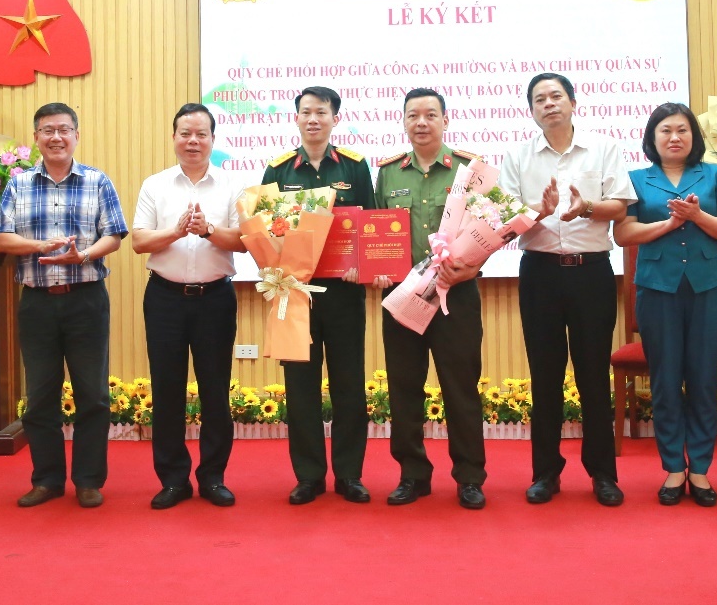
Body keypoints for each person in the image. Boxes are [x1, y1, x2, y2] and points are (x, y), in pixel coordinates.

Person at [498, 72, 635, 507]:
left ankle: (603, 474)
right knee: (545, 377)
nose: (549, 104)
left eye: (556, 96)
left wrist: (587, 207)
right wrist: (538, 213)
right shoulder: (517, 156)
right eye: (539, 99)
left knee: (593, 376)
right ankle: (545, 473)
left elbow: (621, 206)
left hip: (591, 273)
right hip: (540, 274)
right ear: (531, 110)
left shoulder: (604, 148)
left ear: (573, 102)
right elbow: (504, 221)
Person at [0, 102, 127, 510]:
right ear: (36, 137)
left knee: (93, 395)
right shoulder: (18, 184)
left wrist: (82, 255)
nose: (56, 137)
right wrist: (40, 247)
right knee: (39, 397)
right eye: (48, 130)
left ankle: (88, 480)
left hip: (86, 300)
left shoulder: (97, 181)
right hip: (36, 303)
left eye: (64, 129)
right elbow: (1, 239)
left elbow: (114, 236)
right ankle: (47, 480)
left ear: (76, 135)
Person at [614, 103, 717, 507]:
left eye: (682, 130)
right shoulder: (636, 179)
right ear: (652, 138)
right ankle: (673, 468)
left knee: (703, 380)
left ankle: (699, 469)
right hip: (657, 289)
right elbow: (624, 235)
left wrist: (697, 216)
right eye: (665, 130)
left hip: (708, 289)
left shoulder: (716, 175)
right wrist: (669, 224)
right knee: (666, 381)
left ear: (693, 136)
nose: (674, 137)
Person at [371, 88, 487, 510]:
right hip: (403, 294)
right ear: (404, 122)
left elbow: (489, 228)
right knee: (404, 388)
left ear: (445, 120)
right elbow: (376, 229)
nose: (421, 122)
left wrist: (470, 268)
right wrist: (374, 266)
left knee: (461, 389)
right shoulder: (388, 173)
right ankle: (412, 475)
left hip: (456, 293)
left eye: (430, 115)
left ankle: (470, 478)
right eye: (413, 115)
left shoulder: (470, 169)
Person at [261, 86, 375, 504]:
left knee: (349, 386)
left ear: (334, 119)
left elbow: (369, 226)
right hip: (296, 296)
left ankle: (349, 475)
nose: (313, 119)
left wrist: (364, 264)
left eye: (321, 112)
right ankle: (308, 476)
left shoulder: (355, 167)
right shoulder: (277, 170)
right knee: (300, 389)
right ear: (296, 118)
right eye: (306, 112)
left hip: (344, 294)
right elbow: (264, 229)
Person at [131, 103, 246, 509]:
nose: (193, 141)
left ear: (213, 139)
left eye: (201, 134)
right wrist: (177, 231)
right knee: (167, 390)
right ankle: (173, 480)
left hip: (215, 299)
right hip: (164, 299)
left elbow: (245, 241)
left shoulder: (232, 185)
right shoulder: (155, 185)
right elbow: (139, 241)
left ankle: (213, 477)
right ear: (174, 137)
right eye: (185, 133)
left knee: (215, 391)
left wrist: (209, 230)